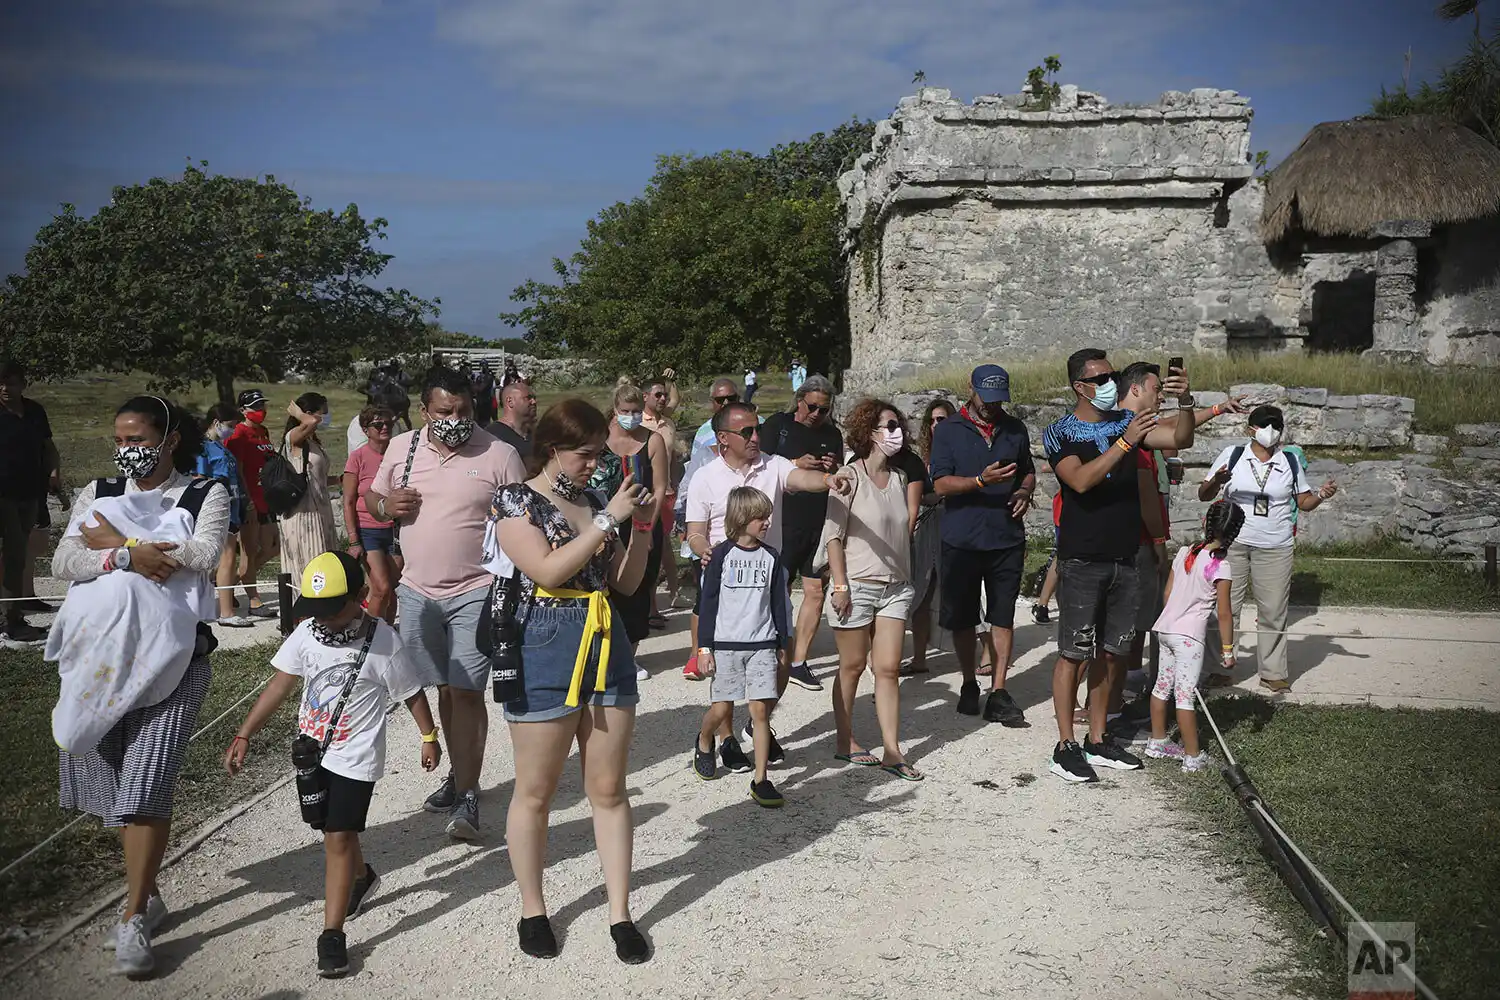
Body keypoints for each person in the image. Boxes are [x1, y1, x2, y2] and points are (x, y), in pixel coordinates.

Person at [52, 396, 229, 977]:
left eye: (139, 438)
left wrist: (117, 543)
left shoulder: (206, 493)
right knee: (113, 794)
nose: (129, 449)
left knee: (145, 789)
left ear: (170, 438)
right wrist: (128, 553)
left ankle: (132, 916)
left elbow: (203, 554)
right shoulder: (97, 492)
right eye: (120, 438)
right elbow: (63, 559)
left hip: (174, 665)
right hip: (99, 668)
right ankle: (147, 893)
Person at [487, 398, 657, 963]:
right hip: (545, 634)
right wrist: (609, 520)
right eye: (584, 454)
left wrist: (646, 530)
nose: (593, 464)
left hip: (604, 632)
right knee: (535, 790)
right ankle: (533, 909)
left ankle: (620, 913)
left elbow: (626, 584)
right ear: (553, 448)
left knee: (609, 789)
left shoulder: (593, 501)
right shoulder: (516, 500)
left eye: (597, 454)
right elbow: (547, 569)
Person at [225, 551, 440, 978]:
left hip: (356, 757)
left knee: (337, 838)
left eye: (331, 610)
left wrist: (429, 737)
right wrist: (245, 731)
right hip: (312, 753)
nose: (322, 619)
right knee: (328, 827)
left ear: (361, 596)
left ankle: (332, 935)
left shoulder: (383, 641)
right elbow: (281, 683)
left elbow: (411, 692)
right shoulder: (306, 634)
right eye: (315, 610)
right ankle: (362, 877)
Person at [365, 367, 525, 839]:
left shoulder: (501, 454)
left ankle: (470, 794)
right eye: (444, 411)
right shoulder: (403, 448)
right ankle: (460, 773)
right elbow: (373, 500)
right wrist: (385, 506)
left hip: (476, 589)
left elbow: (521, 522)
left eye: (463, 411)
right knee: (443, 689)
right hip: (417, 591)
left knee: (468, 690)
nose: (455, 419)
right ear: (423, 411)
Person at [1042, 348, 1194, 783]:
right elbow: (1080, 480)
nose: (1111, 382)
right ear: (1079, 386)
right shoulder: (1059, 432)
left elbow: (1179, 438)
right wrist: (1124, 444)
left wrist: (1185, 403)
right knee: (1074, 653)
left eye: (1112, 374)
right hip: (1083, 558)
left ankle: (1098, 737)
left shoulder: (1125, 423)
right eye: (1101, 377)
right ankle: (1065, 745)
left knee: (1113, 654)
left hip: (1125, 558)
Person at [683, 401, 853, 769]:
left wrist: (827, 480)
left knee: (781, 659)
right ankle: (722, 738)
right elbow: (694, 531)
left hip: (768, 580)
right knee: (727, 675)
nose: (756, 436)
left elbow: (800, 479)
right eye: (747, 432)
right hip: (725, 582)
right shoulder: (705, 477)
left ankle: (757, 723)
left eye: (757, 429)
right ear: (724, 439)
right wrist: (705, 550)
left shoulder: (772, 465)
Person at [1200, 405, 1337, 694]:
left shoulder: (1289, 460)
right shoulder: (1232, 456)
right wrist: (1217, 481)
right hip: (1232, 543)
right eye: (1265, 425)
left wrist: (1322, 495)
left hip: (1275, 546)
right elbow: (1204, 494)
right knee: (1224, 607)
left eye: (1276, 425)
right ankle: (1219, 669)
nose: (1271, 431)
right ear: (1251, 429)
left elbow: (1303, 502)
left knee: (1273, 610)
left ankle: (1273, 673)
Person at [928, 365, 1035, 724]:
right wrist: (978, 481)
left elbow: (1028, 469)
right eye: (986, 398)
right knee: (963, 617)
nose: (991, 406)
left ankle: (999, 691)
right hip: (961, 537)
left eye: (998, 400)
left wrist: (1024, 490)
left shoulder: (1015, 428)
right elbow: (940, 485)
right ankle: (970, 681)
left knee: (1002, 615)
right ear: (969, 388)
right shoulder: (947, 431)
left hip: (1006, 536)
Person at [823, 399, 923, 780]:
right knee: (850, 667)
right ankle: (845, 740)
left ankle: (892, 750)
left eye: (898, 425)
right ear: (870, 432)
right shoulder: (849, 476)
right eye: (888, 425)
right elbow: (833, 536)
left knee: (887, 669)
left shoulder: (899, 479)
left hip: (896, 587)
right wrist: (841, 585)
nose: (896, 432)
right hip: (858, 585)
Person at [692, 486, 793, 806]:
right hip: (725, 645)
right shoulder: (719, 556)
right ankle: (705, 738)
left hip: (762, 643)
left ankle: (761, 779)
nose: (766, 522)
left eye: (767, 516)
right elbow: (707, 604)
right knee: (722, 709)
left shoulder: (771, 557)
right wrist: (704, 648)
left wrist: (780, 642)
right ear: (741, 518)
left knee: (760, 712)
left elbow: (778, 601)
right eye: (759, 517)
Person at [1146, 500, 1245, 773]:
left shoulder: (1184, 552)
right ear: (1234, 534)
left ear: (1206, 523)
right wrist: (1227, 650)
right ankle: (1193, 756)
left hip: (1165, 629)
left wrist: (1174, 614)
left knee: (1160, 687)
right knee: (1185, 696)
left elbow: (1167, 594)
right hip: (1189, 638)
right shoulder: (1221, 567)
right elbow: (1224, 613)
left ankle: (1157, 741)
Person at [760, 374, 844, 692]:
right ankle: (769, 652)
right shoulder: (777, 426)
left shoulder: (832, 433)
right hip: (781, 523)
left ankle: (798, 662)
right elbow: (761, 463)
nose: (817, 415)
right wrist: (795, 462)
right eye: (813, 407)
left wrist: (831, 467)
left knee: (815, 593)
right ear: (800, 400)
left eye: (824, 410)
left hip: (817, 522)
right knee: (775, 592)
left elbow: (835, 475)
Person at [590, 384, 670, 653]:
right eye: (626, 411)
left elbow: (660, 487)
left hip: (641, 520)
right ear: (615, 410)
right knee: (604, 586)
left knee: (638, 589)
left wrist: (646, 528)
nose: (632, 416)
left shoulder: (653, 440)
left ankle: (631, 654)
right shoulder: (599, 437)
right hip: (605, 520)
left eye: (637, 411)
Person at [676, 378, 743, 680]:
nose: (726, 404)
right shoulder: (704, 435)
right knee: (706, 596)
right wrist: (687, 526)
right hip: (708, 528)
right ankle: (696, 653)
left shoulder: (756, 427)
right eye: (720, 400)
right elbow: (690, 483)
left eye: (731, 398)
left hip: (743, 526)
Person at [0, 360, 56, 644]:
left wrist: (54, 470)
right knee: (12, 554)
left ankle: (13, 615)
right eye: (1, 383)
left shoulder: (34, 411)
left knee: (18, 555)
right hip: (3, 493)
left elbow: (47, 445)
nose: (5, 388)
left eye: (10, 382)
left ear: (22, 383)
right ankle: (10, 620)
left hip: (30, 491)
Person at [902, 397, 954, 675]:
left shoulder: (959, 451)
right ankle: (920, 658)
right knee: (920, 592)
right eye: (931, 420)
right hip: (925, 527)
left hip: (951, 524)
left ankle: (986, 655)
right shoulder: (923, 457)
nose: (936, 425)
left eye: (942, 419)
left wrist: (931, 494)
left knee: (958, 591)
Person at [342, 404, 403, 622]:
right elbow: (348, 500)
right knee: (382, 586)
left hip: (396, 529)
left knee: (394, 587)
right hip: (368, 530)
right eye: (378, 424)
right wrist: (353, 540)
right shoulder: (357, 457)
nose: (384, 427)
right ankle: (371, 634)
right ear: (366, 429)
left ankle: (387, 634)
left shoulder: (399, 455)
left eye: (388, 423)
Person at [197, 403, 255, 628]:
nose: (231, 430)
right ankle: (226, 612)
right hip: (216, 508)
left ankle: (223, 606)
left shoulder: (222, 447)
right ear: (215, 423)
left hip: (232, 507)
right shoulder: (202, 448)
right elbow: (199, 478)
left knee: (227, 558)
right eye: (230, 426)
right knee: (227, 557)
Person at [226, 389, 279, 619]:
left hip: (267, 497)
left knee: (272, 547)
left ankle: (227, 582)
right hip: (249, 500)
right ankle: (254, 600)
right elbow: (236, 471)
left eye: (262, 406)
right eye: (255, 407)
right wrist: (246, 501)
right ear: (243, 410)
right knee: (248, 551)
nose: (261, 411)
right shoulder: (238, 434)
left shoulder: (263, 432)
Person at [279, 392, 338, 586]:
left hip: (320, 512)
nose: (326, 417)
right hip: (303, 515)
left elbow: (315, 478)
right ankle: (303, 611)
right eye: (324, 413)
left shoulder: (313, 443)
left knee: (324, 565)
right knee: (308, 565)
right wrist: (298, 413)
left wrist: (338, 479)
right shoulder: (294, 438)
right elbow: (311, 421)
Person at [488, 380, 538, 461]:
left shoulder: (536, 433)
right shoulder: (493, 436)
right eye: (528, 398)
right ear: (510, 401)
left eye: (534, 398)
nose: (534, 402)